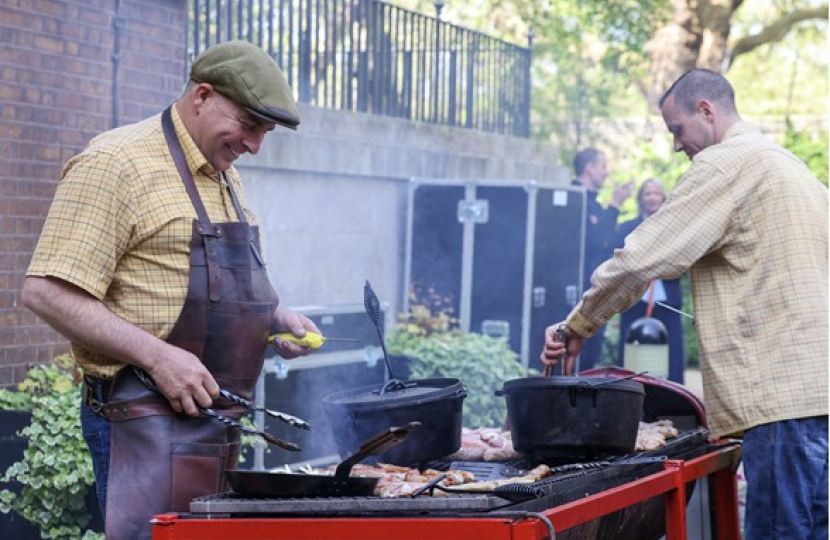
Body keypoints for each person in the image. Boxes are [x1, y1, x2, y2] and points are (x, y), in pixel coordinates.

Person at [21, 41, 321, 540]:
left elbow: (207, 287)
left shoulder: (224, 176)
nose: (254, 146)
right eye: (249, 125)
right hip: (142, 425)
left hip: (215, 429)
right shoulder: (116, 162)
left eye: (265, 133)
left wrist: (274, 320)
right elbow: (46, 292)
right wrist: (158, 357)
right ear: (202, 96)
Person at [542, 69, 828, 540]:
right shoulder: (792, 167)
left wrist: (578, 325)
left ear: (706, 111)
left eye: (677, 129)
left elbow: (641, 258)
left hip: (780, 400)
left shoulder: (725, 165)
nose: (676, 145)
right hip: (819, 393)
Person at [613, 178, 686, 384]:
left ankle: (674, 396)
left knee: (672, 353)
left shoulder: (675, 229)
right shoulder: (627, 228)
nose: (652, 198)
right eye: (648, 193)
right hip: (635, 301)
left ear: (663, 198)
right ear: (641, 199)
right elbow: (619, 261)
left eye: (656, 193)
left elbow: (683, 261)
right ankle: (627, 392)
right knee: (630, 350)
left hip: (667, 302)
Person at [571, 148, 634, 370]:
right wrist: (615, 203)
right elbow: (598, 241)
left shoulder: (594, 203)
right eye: (603, 166)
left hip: (594, 289)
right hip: (577, 291)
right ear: (589, 168)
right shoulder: (573, 198)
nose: (606, 173)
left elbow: (608, 239)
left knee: (592, 352)